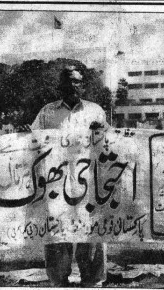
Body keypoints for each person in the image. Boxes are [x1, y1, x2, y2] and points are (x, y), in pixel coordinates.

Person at [31, 64, 109, 287]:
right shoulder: (47, 112)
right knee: (57, 236)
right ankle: (59, 282)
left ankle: (93, 282)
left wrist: (100, 133)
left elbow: (110, 146)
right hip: (57, 184)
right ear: (60, 86)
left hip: (89, 184)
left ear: (83, 85)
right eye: (67, 81)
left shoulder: (96, 111)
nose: (72, 86)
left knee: (92, 235)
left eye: (76, 81)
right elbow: (33, 144)